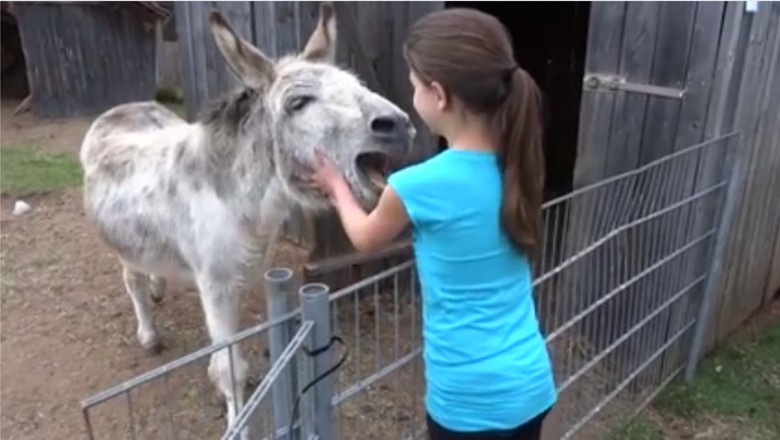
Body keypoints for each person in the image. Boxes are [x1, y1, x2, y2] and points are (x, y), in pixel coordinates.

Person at [302, 7, 557, 440]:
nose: (412, 94)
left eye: (414, 85)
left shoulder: (417, 186)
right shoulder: (517, 163)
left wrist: (336, 186)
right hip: (530, 385)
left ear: (438, 95)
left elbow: (364, 236)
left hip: (468, 403)